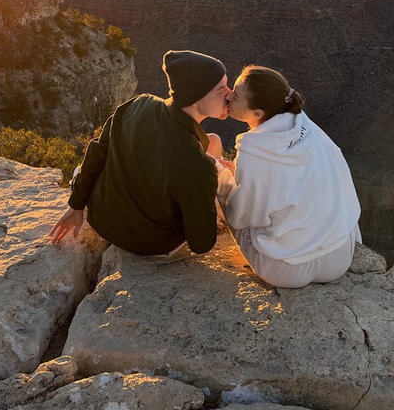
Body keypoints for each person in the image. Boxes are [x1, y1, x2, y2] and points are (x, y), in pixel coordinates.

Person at [49, 49, 230, 255]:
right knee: (213, 154)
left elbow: (98, 150)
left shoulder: (137, 104)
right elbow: (201, 244)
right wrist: (211, 186)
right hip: (150, 244)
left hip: (101, 219)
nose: (230, 94)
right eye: (221, 88)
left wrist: (76, 205)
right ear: (195, 97)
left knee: (212, 140)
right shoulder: (198, 165)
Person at [217, 65, 361, 288]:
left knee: (221, 182)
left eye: (235, 96)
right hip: (339, 257)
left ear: (257, 114)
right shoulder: (306, 125)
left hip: (287, 269)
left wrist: (224, 178)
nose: (228, 96)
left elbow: (241, 217)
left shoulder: (253, 150)